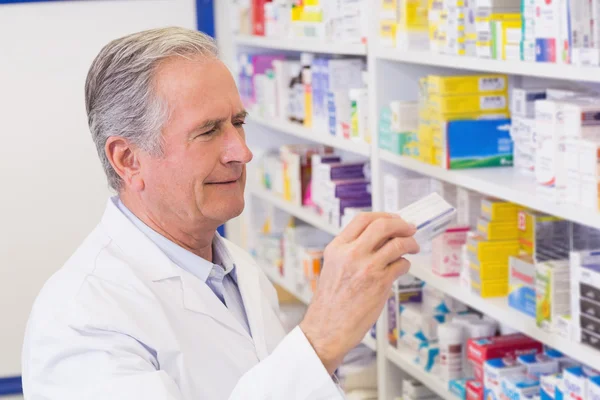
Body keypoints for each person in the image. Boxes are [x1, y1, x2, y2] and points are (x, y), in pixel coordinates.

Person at [21, 27, 419, 400]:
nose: (241, 152)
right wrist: (320, 340)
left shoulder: (236, 269)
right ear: (128, 160)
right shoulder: (81, 320)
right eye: (208, 131)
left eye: (238, 123)